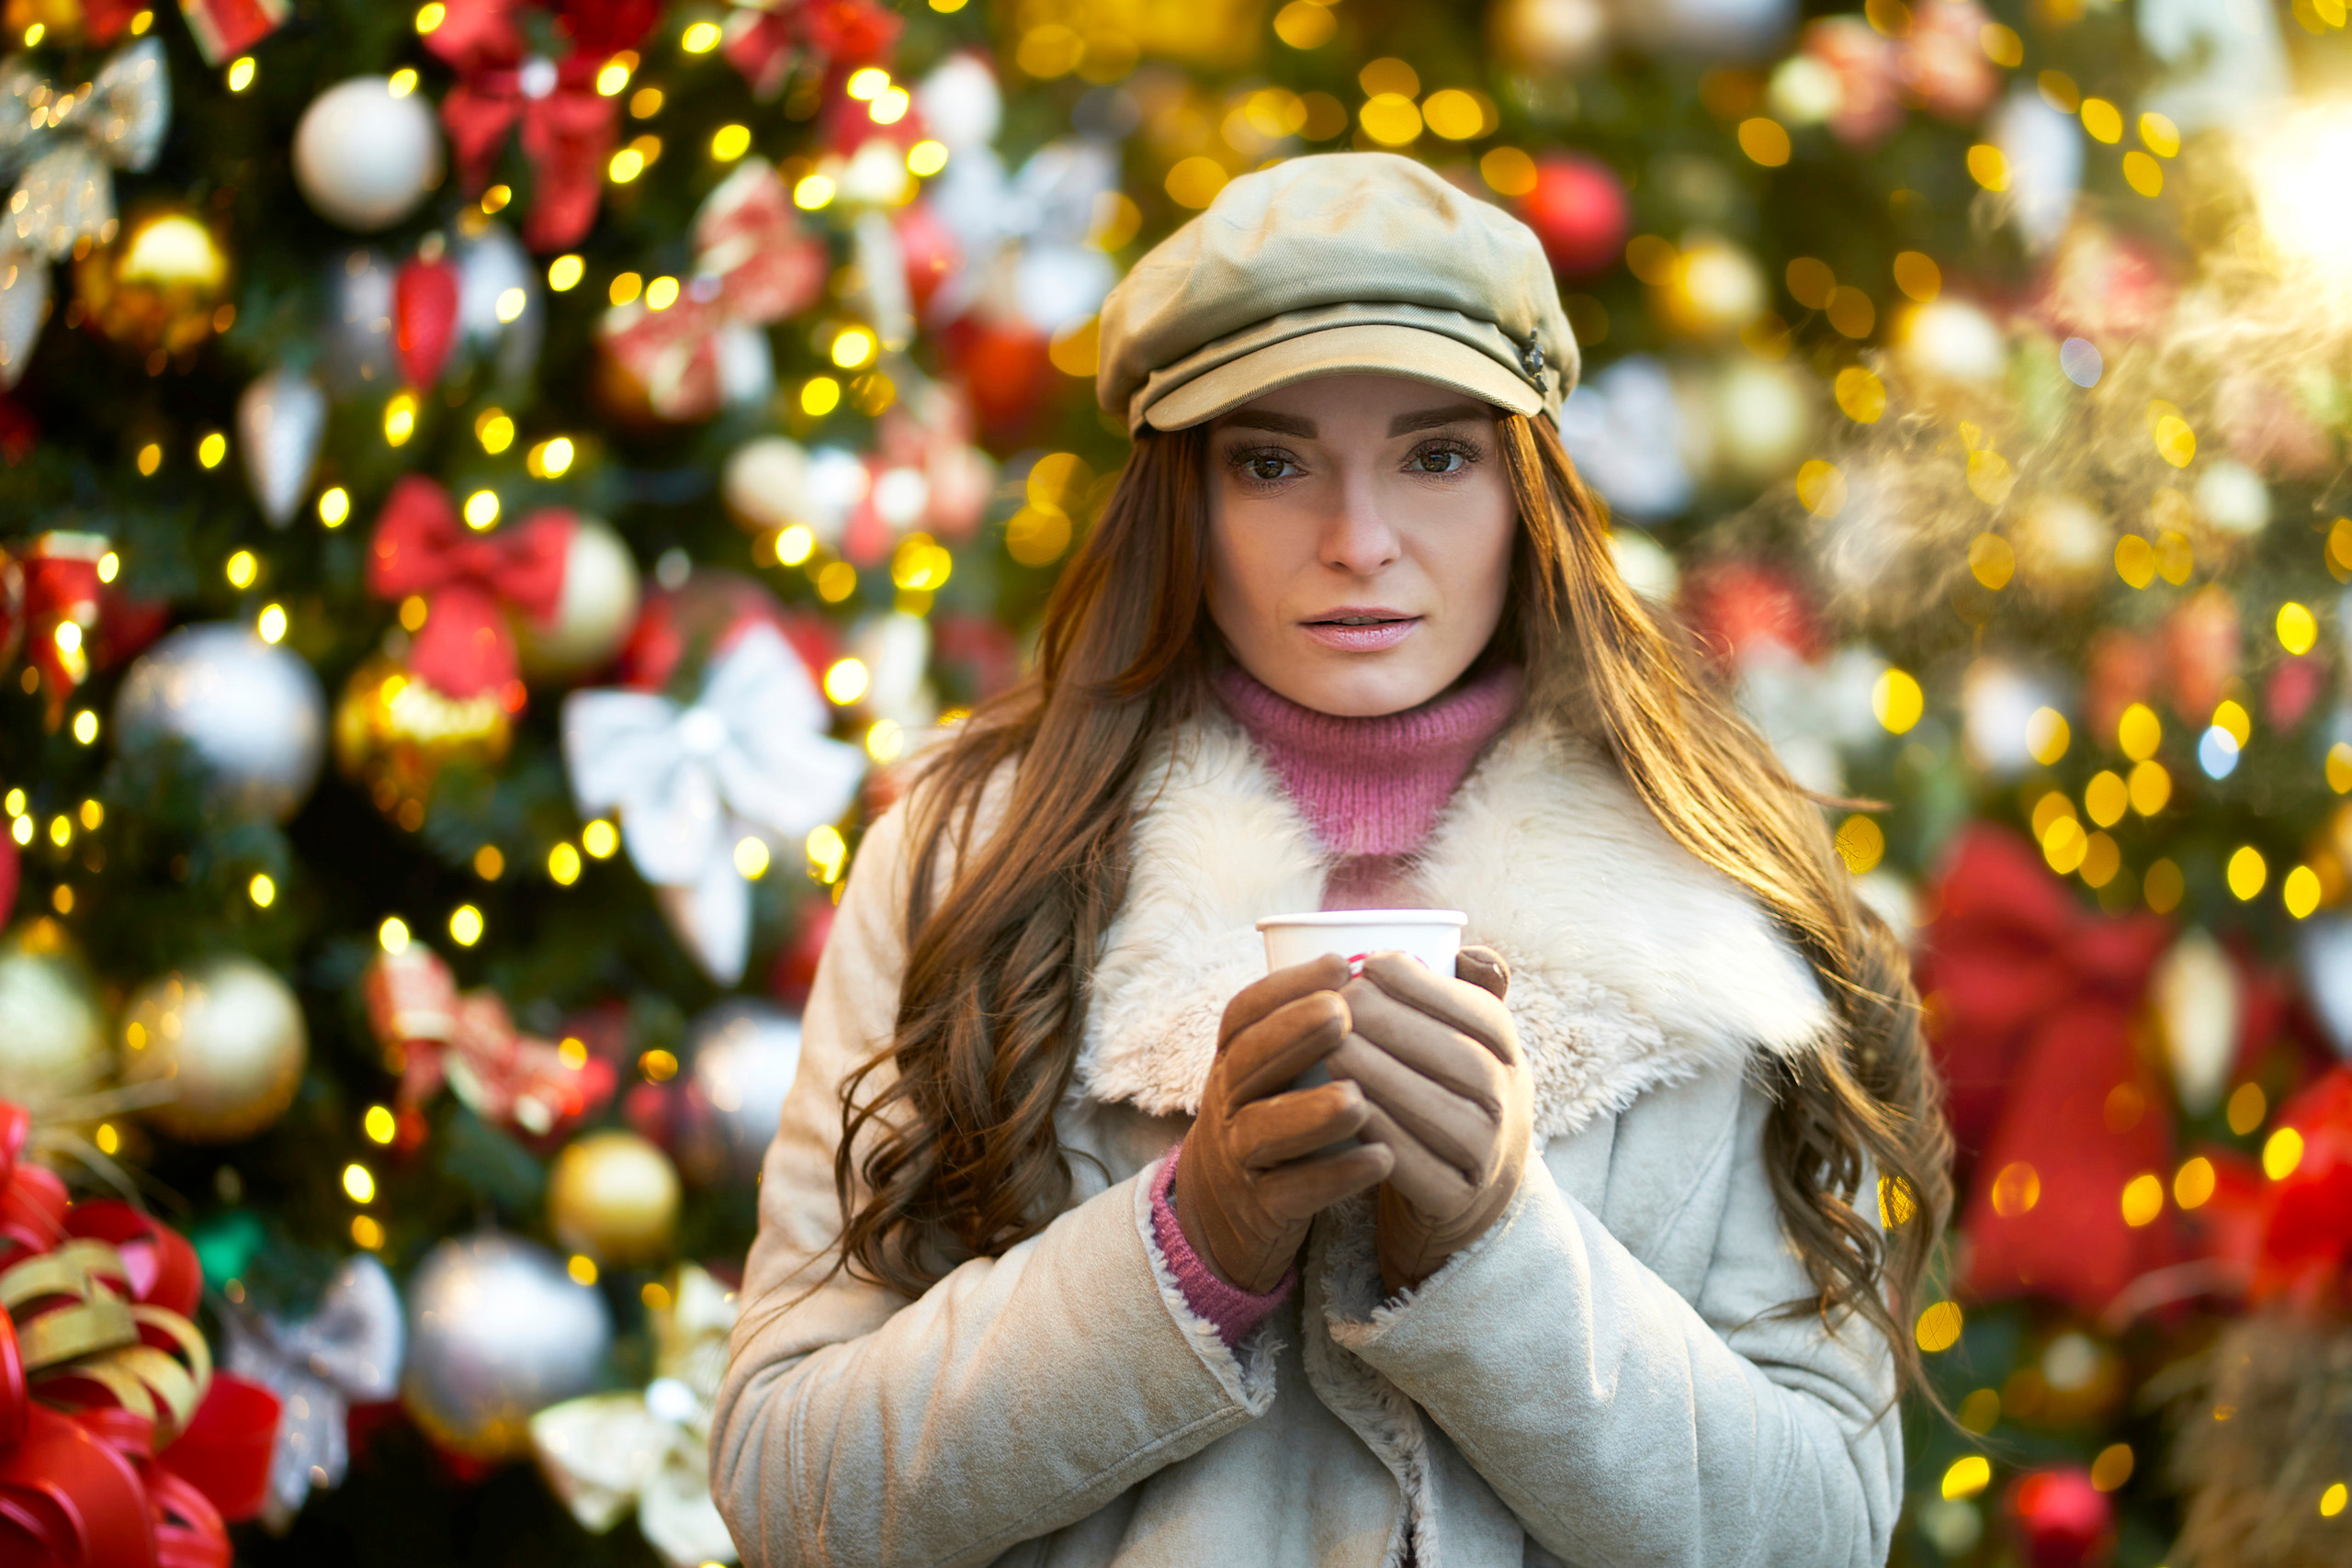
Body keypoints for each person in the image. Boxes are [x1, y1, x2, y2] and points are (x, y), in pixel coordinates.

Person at [712, 152, 1951, 1568]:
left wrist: (1495, 1258)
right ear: (1183, 500)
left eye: (1436, 456)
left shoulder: (1728, 887)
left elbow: (1822, 1532)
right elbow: (786, 1483)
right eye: (1272, 461)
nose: (1359, 543)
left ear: (1527, 487)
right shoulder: (971, 862)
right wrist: (1189, 1248)